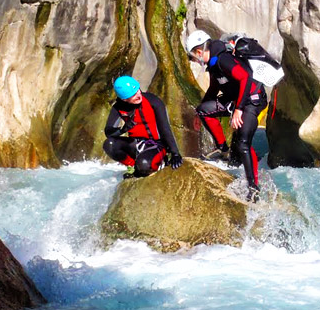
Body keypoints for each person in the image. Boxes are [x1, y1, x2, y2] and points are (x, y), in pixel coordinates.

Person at [185, 32, 267, 202]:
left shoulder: (223, 59)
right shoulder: (213, 64)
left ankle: (253, 188)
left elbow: (246, 77)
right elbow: (214, 90)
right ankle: (223, 150)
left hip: (251, 100)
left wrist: (239, 109)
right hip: (235, 101)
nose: (193, 60)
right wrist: (198, 114)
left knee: (244, 143)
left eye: (192, 57)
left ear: (199, 52)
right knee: (204, 110)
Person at [103, 75, 183, 178]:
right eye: (132, 95)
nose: (138, 95)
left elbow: (165, 129)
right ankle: (132, 166)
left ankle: (150, 164)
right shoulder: (118, 107)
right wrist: (123, 129)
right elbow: (108, 133)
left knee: (144, 165)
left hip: (157, 145)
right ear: (124, 99)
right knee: (109, 144)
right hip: (135, 144)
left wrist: (175, 153)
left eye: (137, 90)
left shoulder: (153, 101)